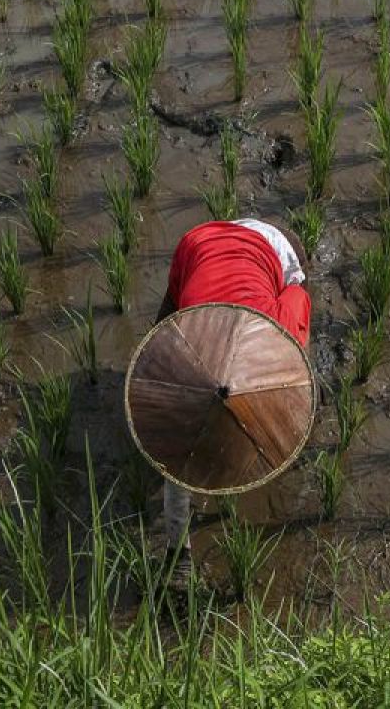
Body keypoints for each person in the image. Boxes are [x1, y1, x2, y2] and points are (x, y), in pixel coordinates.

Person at [153, 218, 312, 588]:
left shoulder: (280, 326)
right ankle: (178, 555)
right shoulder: (185, 355)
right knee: (180, 451)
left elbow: (296, 365)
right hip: (199, 244)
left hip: (268, 247)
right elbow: (176, 464)